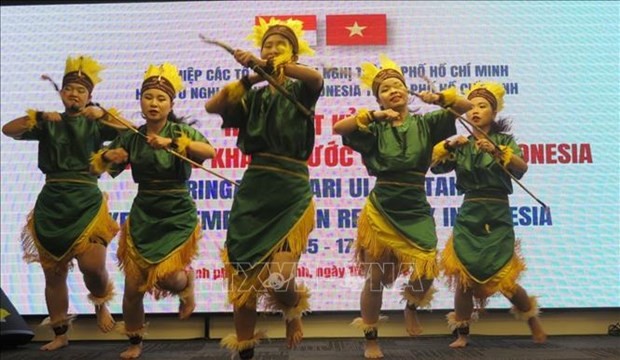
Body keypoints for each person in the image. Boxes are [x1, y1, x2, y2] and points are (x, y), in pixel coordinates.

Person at [332, 54, 472, 359]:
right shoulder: (374, 128)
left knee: (427, 268)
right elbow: (339, 128)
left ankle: (411, 305)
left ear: (407, 92)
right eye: (385, 89)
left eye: (398, 85)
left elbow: (466, 108)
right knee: (376, 277)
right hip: (383, 206)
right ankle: (371, 339)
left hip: (415, 203)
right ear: (379, 99)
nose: (393, 90)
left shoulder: (426, 123)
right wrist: (373, 117)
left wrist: (440, 98)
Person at [205, 17, 323, 359]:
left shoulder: (302, 88)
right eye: (266, 46)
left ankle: (292, 308)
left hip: (290, 190)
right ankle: (244, 349)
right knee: (244, 281)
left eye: (279, 46)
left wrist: (279, 67)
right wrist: (253, 75)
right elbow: (213, 106)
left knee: (280, 278)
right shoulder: (252, 97)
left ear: (293, 55)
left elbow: (315, 77)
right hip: (255, 189)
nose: (271, 51)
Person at [90, 62, 216, 359]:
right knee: (133, 288)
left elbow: (209, 152)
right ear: (141, 101)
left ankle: (186, 285)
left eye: (161, 98)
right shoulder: (132, 135)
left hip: (176, 213)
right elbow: (95, 168)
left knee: (168, 279)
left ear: (171, 104)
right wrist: (108, 155)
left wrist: (172, 142)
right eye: (149, 97)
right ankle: (134, 341)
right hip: (145, 211)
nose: (154, 103)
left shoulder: (180, 131)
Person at [1, 55, 126, 351]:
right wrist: (41, 117)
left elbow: (132, 133)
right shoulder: (49, 122)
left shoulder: (96, 121)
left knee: (93, 267)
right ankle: (60, 333)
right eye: (69, 88)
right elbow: (8, 129)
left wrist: (104, 114)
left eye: (81, 90)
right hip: (53, 201)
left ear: (89, 96)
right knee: (53, 273)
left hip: (86, 201)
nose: (74, 93)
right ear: (61, 93)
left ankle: (100, 303)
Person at [431, 81, 547, 348]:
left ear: (493, 113)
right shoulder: (462, 144)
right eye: (470, 106)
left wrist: (496, 151)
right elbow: (434, 167)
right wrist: (448, 146)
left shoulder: (505, 141)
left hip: (497, 213)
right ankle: (461, 333)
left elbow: (521, 168)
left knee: (505, 279)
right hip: (470, 211)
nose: (475, 111)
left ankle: (531, 318)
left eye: (482, 106)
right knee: (463, 277)